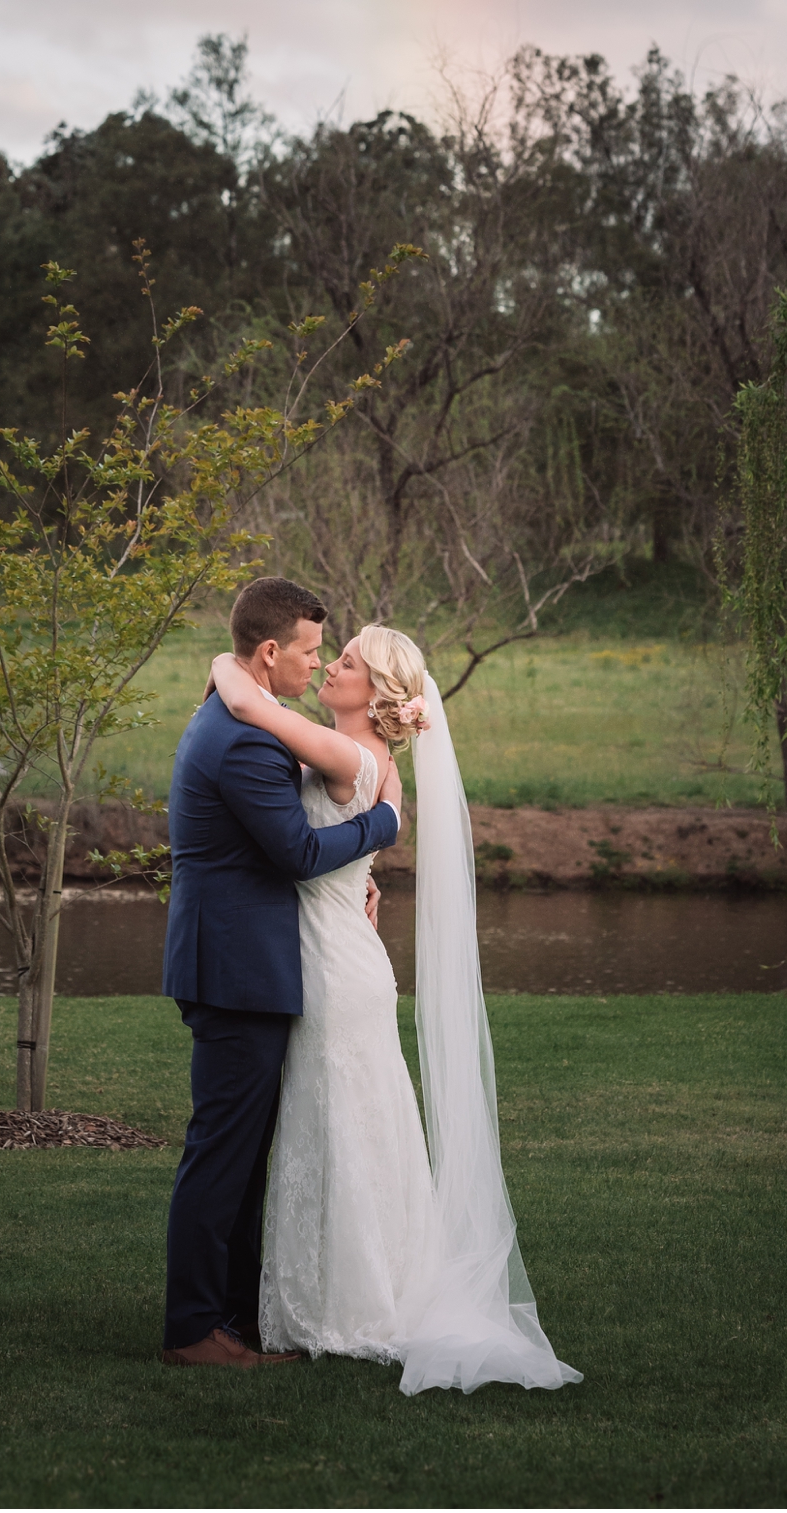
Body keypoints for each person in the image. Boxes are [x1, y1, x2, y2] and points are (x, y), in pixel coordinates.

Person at [214, 625, 582, 1396]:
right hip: (342, 949)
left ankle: (348, 1307)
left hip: (334, 968)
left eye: (343, 662)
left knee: (342, 1127)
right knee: (357, 1125)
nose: (329, 667)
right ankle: (360, 1292)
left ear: (375, 694)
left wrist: (230, 653)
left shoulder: (346, 754)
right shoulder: (378, 767)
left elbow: (245, 698)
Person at [159, 575, 402, 1370]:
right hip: (237, 970)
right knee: (223, 1151)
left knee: (245, 1151)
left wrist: (360, 865)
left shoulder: (242, 718)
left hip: (253, 963)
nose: (317, 662)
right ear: (270, 652)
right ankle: (196, 1328)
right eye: (307, 650)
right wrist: (379, 828)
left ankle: (235, 1313)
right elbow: (298, 852)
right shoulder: (248, 740)